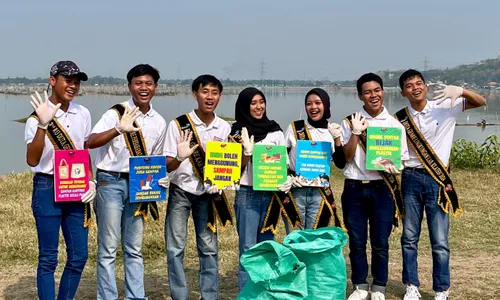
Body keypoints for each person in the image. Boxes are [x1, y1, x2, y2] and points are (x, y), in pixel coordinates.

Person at [397, 69, 486, 300]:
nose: (415, 87)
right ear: (403, 92)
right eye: (409, 85)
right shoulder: (399, 119)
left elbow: (481, 101)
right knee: (409, 237)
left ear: (425, 86)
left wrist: (461, 91)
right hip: (410, 178)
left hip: (437, 180)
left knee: (439, 239)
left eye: (419, 83)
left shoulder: (445, 105)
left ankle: (441, 289)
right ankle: (411, 285)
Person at [86, 64, 169, 300]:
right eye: (138, 83)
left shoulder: (159, 122)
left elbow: (155, 159)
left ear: (155, 87)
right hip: (110, 182)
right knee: (108, 248)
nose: (143, 88)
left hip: (139, 186)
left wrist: (161, 178)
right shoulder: (115, 113)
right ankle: (108, 297)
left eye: (148, 83)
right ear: (130, 86)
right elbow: (90, 142)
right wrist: (117, 130)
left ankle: (136, 296)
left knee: (134, 248)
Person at [25, 61, 95, 300]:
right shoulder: (37, 116)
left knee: (79, 255)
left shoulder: (83, 113)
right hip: (47, 185)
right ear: (53, 81)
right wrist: (43, 125)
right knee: (48, 257)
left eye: (77, 82)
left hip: (75, 187)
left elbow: (83, 152)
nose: (73, 86)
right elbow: (32, 160)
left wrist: (91, 181)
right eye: (68, 80)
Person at [163, 74, 232, 300]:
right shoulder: (179, 124)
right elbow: (165, 164)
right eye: (205, 92)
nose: (209, 97)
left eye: (214, 93)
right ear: (195, 94)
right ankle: (179, 296)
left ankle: (209, 296)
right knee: (175, 247)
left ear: (220, 96)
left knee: (209, 248)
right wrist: (179, 158)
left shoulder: (224, 128)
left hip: (208, 194)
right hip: (181, 191)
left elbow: (229, 165)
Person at [341, 73, 409, 300]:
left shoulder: (394, 124)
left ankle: (379, 286)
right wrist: (355, 133)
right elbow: (346, 157)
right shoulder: (350, 121)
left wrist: (395, 166)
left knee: (380, 241)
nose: (373, 95)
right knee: (357, 240)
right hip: (354, 188)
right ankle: (360, 285)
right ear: (360, 95)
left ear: (383, 91)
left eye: (377, 90)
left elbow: (401, 158)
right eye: (367, 91)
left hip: (382, 188)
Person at [228, 87, 293, 291]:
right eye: (253, 103)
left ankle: (265, 291)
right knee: (248, 247)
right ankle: (246, 292)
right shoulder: (237, 131)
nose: (258, 107)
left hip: (271, 194)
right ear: (245, 106)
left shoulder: (275, 130)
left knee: (267, 245)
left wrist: (287, 181)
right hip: (247, 193)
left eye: (261, 102)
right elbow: (233, 170)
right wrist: (246, 153)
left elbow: (282, 164)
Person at [283, 88, 346, 233]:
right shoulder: (295, 128)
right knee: (295, 239)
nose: (313, 107)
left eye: (318, 103)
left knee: (314, 239)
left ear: (326, 105)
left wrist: (337, 138)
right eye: (309, 103)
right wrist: (288, 177)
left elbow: (341, 163)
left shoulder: (332, 131)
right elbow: (282, 157)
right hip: (296, 190)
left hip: (320, 193)